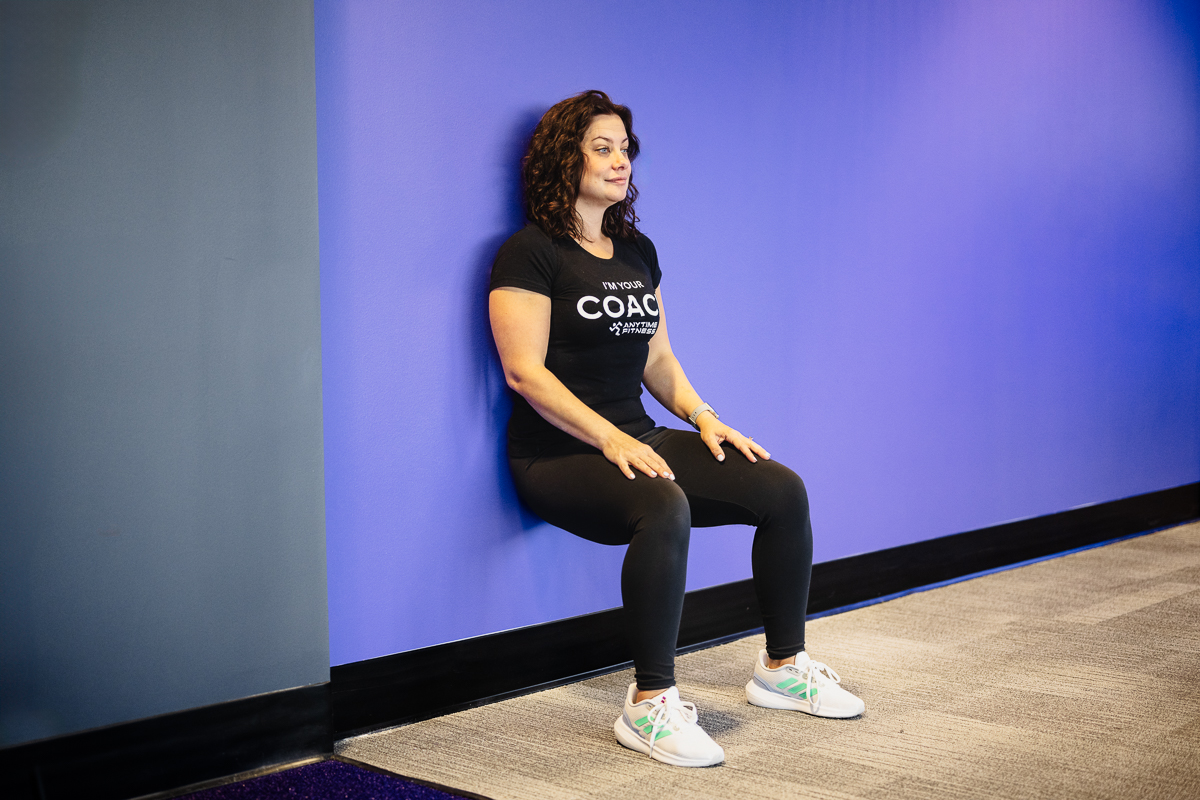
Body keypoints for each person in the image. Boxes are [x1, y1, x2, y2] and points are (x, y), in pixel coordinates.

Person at [488, 90, 864, 768]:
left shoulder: (635, 250)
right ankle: (649, 705)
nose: (619, 160)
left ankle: (782, 667)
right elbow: (525, 373)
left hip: (638, 437)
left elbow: (658, 358)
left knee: (781, 489)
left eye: (625, 149)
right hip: (556, 454)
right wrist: (609, 438)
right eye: (601, 147)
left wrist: (704, 417)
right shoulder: (530, 253)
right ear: (561, 159)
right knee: (664, 503)